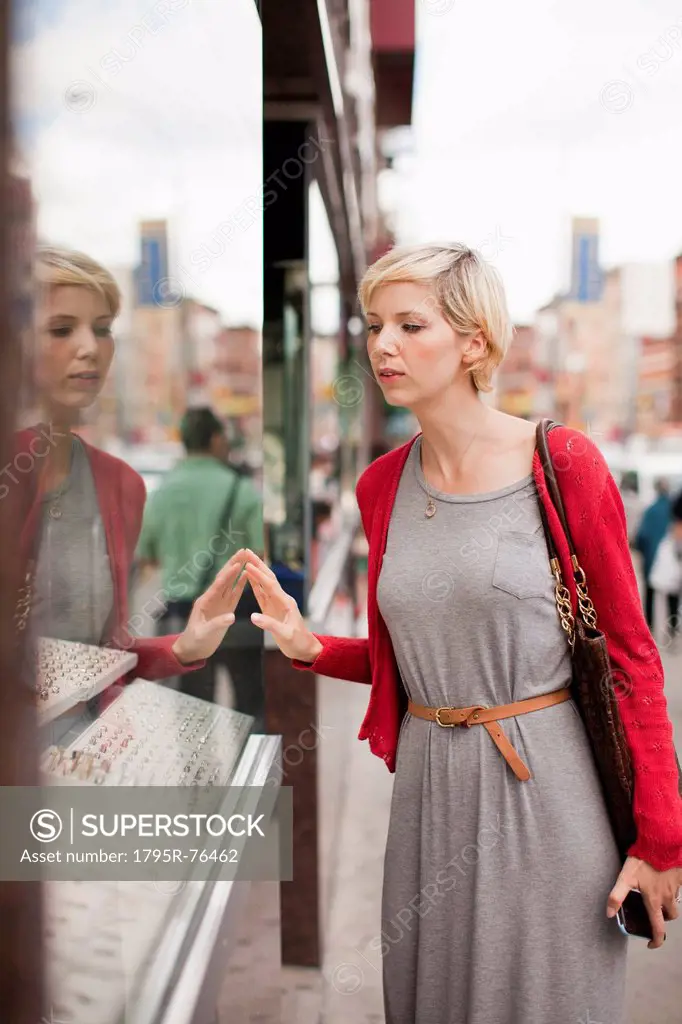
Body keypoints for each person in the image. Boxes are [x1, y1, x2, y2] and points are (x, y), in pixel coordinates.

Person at [238, 243, 682, 1024]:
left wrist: (661, 844)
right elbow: (416, 659)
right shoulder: (382, 484)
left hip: (545, 793)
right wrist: (312, 648)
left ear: (474, 341)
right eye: (375, 325)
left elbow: (632, 660)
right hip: (427, 798)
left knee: (543, 999)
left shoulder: (563, 463)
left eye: (412, 325)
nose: (383, 345)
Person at [15, 246, 249, 744]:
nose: (90, 347)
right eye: (61, 329)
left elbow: (103, 657)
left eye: (102, 329)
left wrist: (183, 648)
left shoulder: (120, 484)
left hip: (89, 767)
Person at [136, 407, 264, 726]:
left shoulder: (162, 492)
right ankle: (251, 771)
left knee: (192, 714)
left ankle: (201, 776)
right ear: (216, 439)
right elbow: (260, 555)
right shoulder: (242, 489)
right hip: (238, 612)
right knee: (249, 704)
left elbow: (148, 555)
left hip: (184, 616)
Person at [635, 478, 674, 634]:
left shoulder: (650, 510)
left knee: (649, 593)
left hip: (651, 559)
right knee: (673, 593)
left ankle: (649, 626)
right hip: (673, 561)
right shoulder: (673, 511)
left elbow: (641, 536)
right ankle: (672, 626)